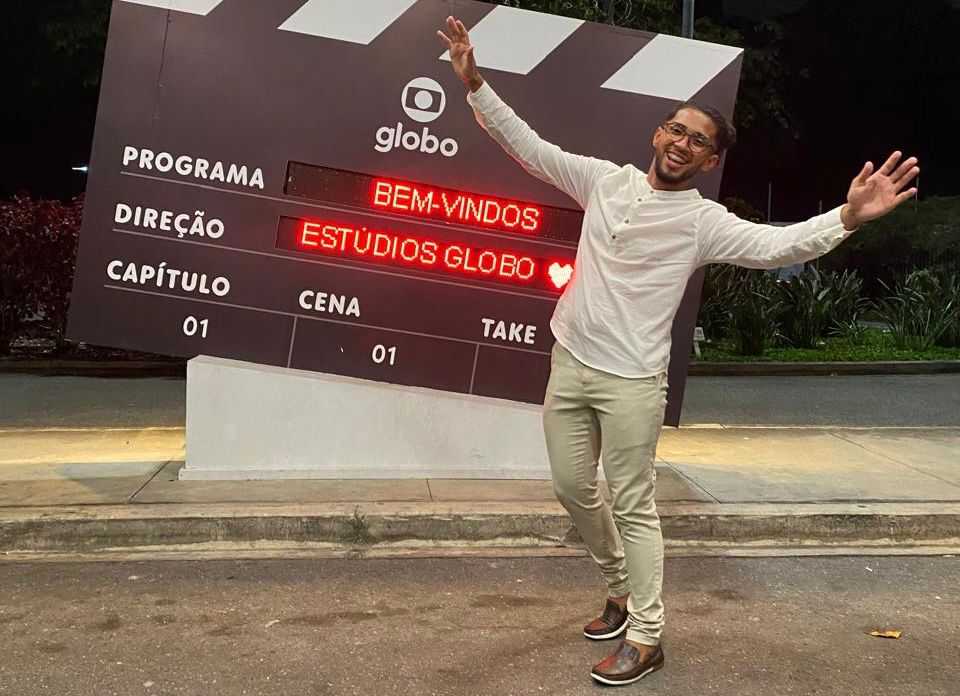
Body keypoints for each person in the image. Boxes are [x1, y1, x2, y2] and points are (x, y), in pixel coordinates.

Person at [437, 14, 919, 687]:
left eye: (698, 141)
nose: (682, 144)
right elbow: (529, 147)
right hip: (570, 361)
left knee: (633, 504)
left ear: (710, 161)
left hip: (632, 382)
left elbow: (777, 245)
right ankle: (619, 587)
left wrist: (846, 217)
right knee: (572, 489)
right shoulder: (603, 182)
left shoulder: (701, 222)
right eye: (676, 130)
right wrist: (475, 83)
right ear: (658, 135)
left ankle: (647, 635)